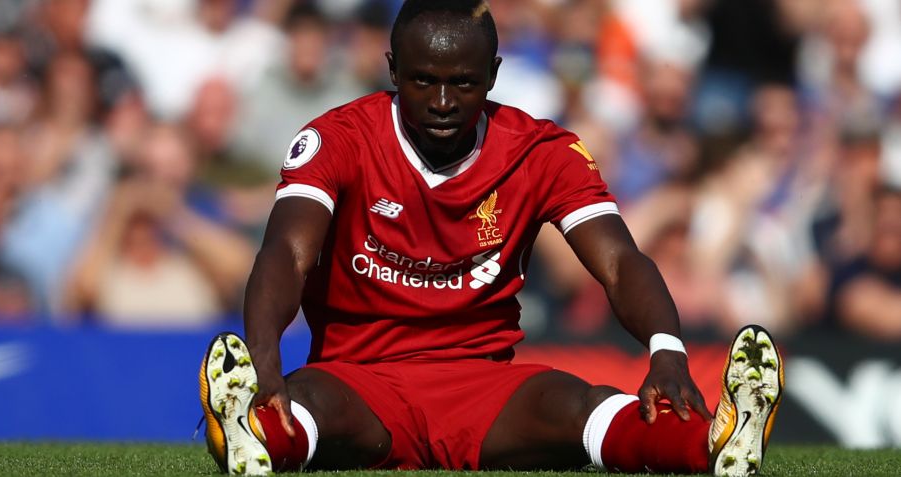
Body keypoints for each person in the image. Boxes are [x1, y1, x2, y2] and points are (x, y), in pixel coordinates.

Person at [197, 2, 784, 476]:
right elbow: (287, 252)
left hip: (484, 386)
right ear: (393, 69)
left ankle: (713, 445)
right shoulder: (339, 138)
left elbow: (620, 262)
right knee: (307, 404)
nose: (443, 102)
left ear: (495, 75)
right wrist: (264, 358)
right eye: (423, 81)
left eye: (464, 83)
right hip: (360, 377)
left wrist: (667, 351)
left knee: (584, 405)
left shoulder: (541, 151)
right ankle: (254, 432)